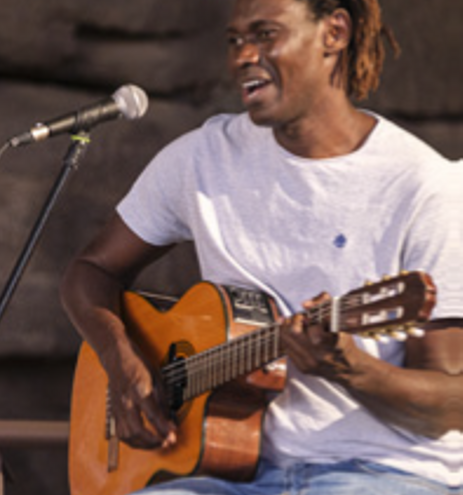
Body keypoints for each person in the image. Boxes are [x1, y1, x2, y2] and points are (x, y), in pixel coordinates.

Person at [61, 0, 462, 493]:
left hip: (383, 472)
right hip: (232, 473)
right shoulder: (201, 160)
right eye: (234, 41)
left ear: (334, 32)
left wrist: (351, 369)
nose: (244, 56)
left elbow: (452, 404)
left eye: (266, 34)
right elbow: (91, 271)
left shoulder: (425, 187)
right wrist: (120, 361)